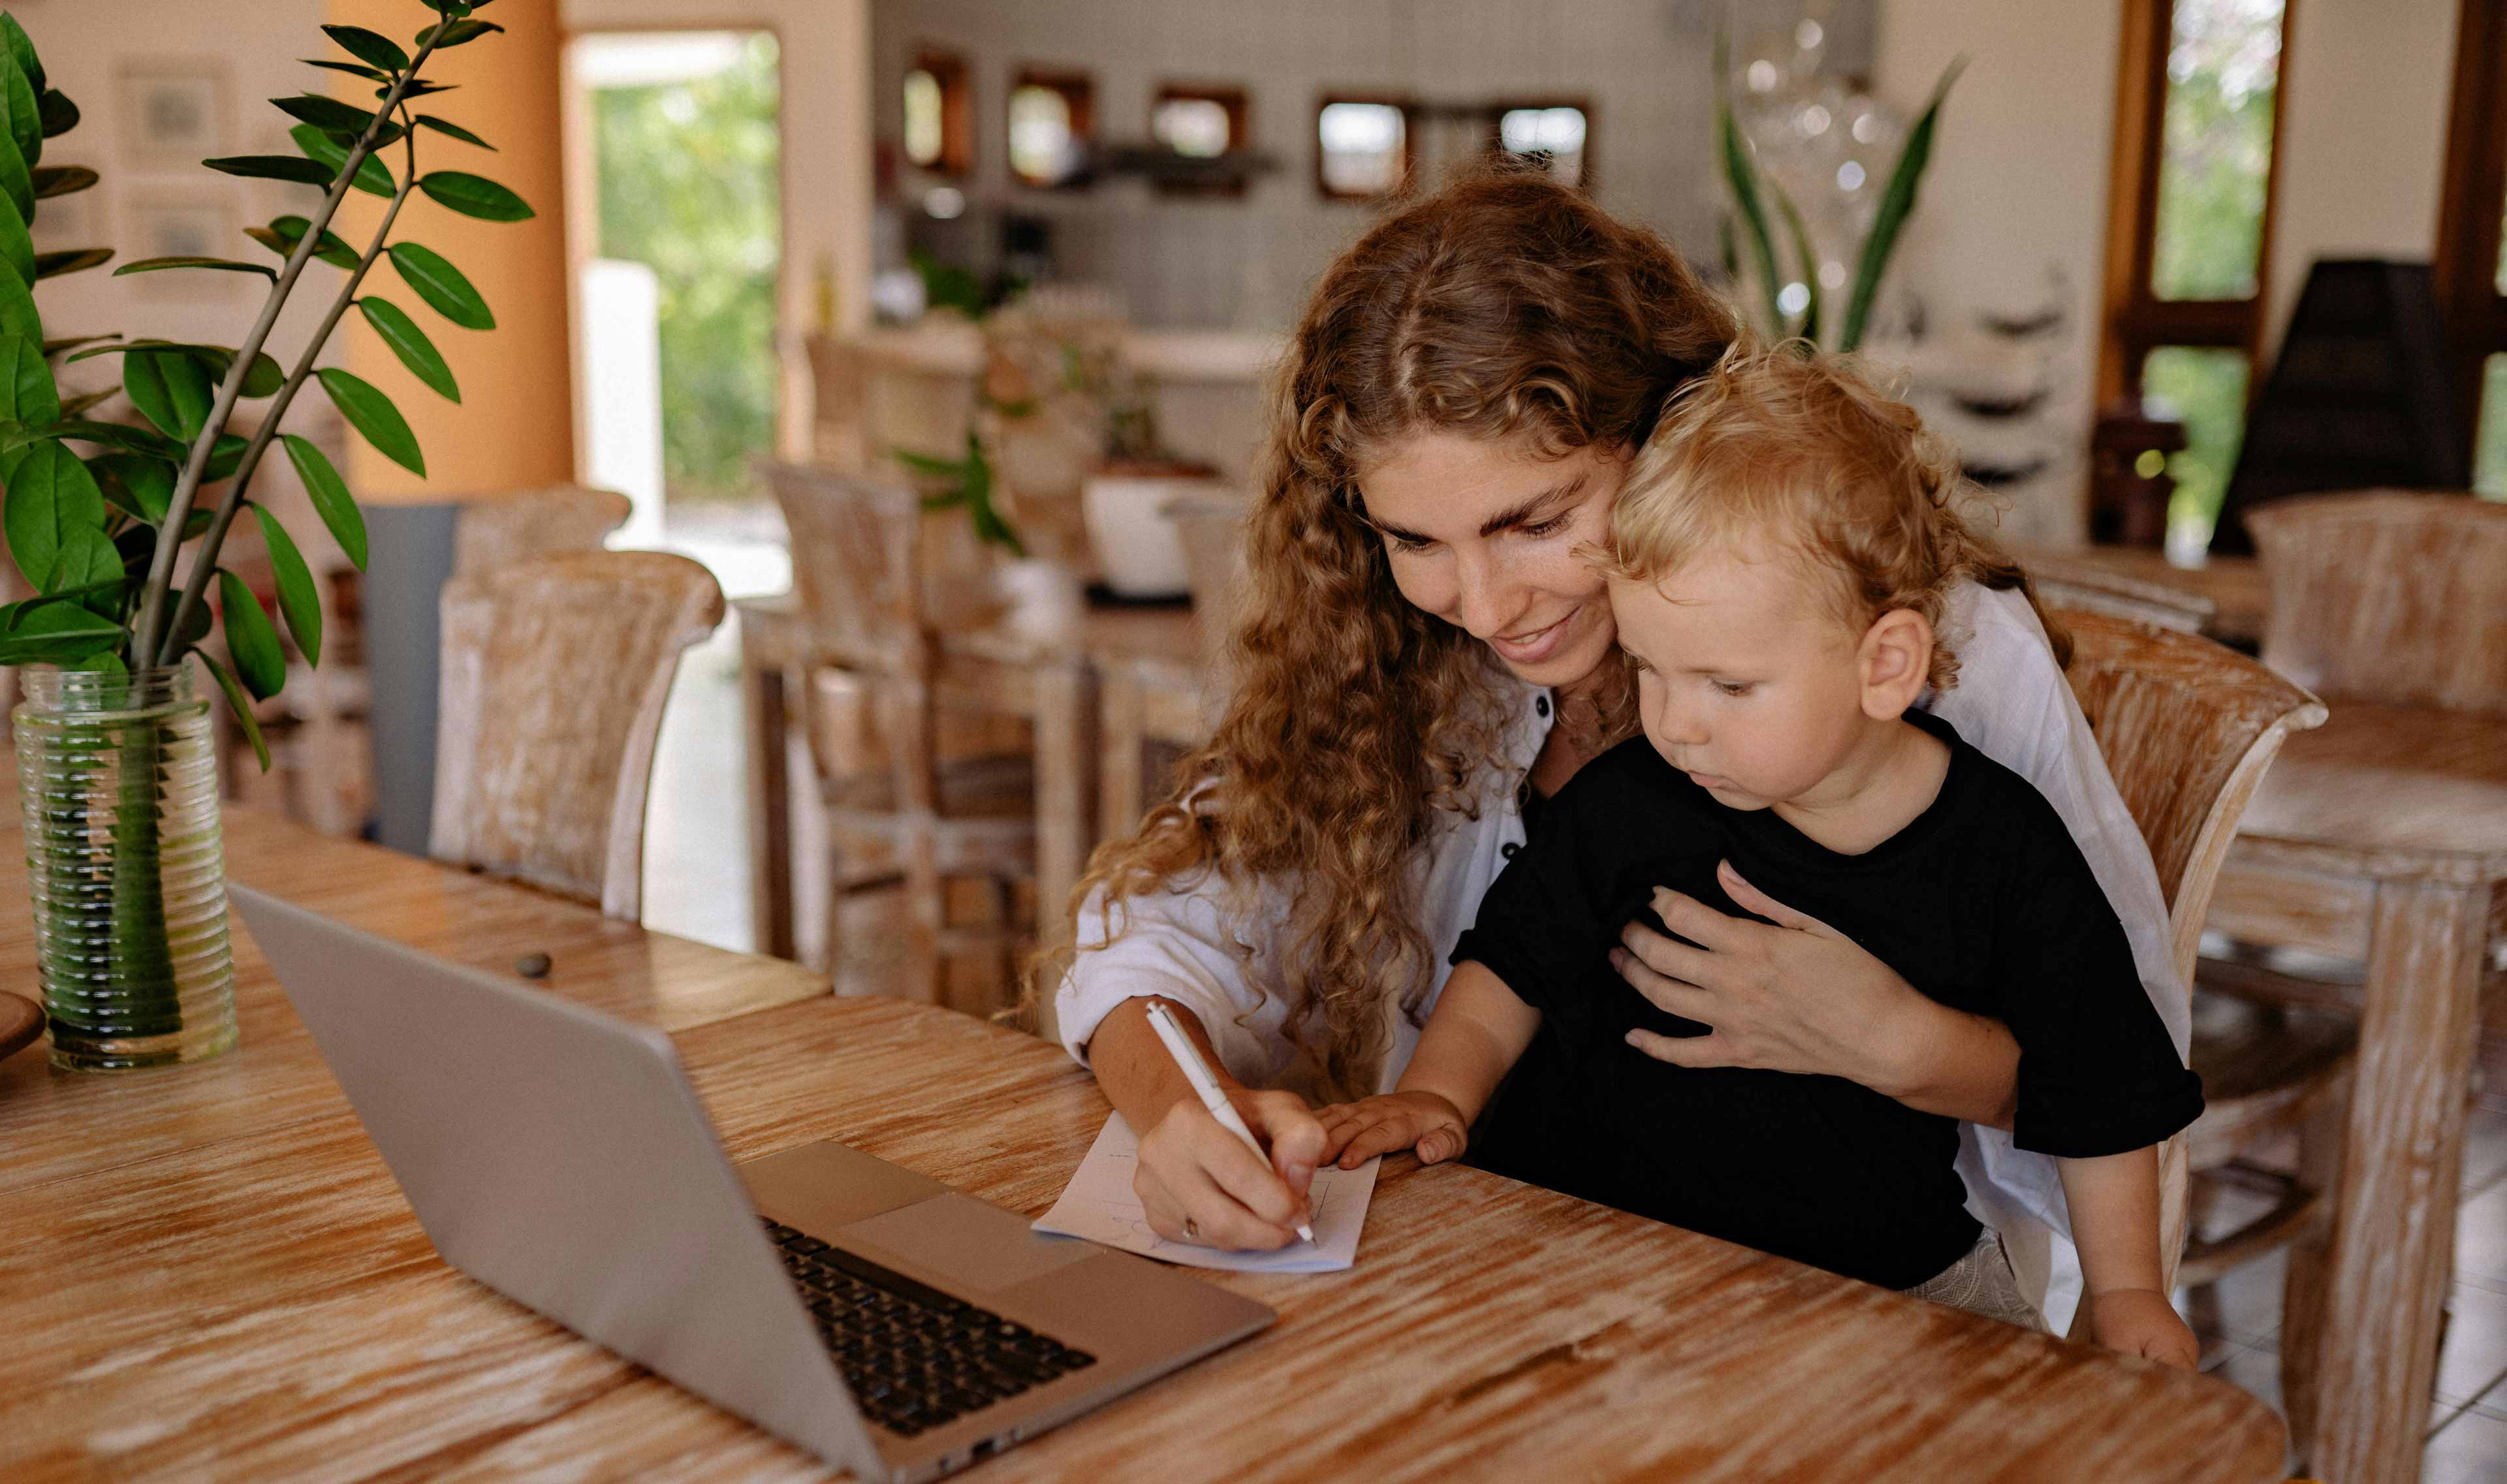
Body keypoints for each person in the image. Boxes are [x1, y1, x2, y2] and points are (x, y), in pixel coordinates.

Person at [1045, 166, 2190, 1334]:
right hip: (1525, 1281)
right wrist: (1180, 1112)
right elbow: (1154, 935)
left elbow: (2121, 1060)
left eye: (1536, 521)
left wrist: (1906, 1043)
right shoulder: (1392, 648)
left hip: (1856, 1308)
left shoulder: (1931, 652)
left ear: (1671, 433)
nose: (1487, 606)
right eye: (1415, 539)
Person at [1310, 343, 2203, 1364]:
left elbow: (2103, 1081)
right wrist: (1437, 1095)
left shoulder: (2005, 850)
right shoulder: (1632, 800)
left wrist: (2130, 1288)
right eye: (1651, 669)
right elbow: (1507, 964)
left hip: (1878, 1273)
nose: (1677, 724)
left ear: (1886, 664)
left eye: (1728, 686)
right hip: (1597, 1251)